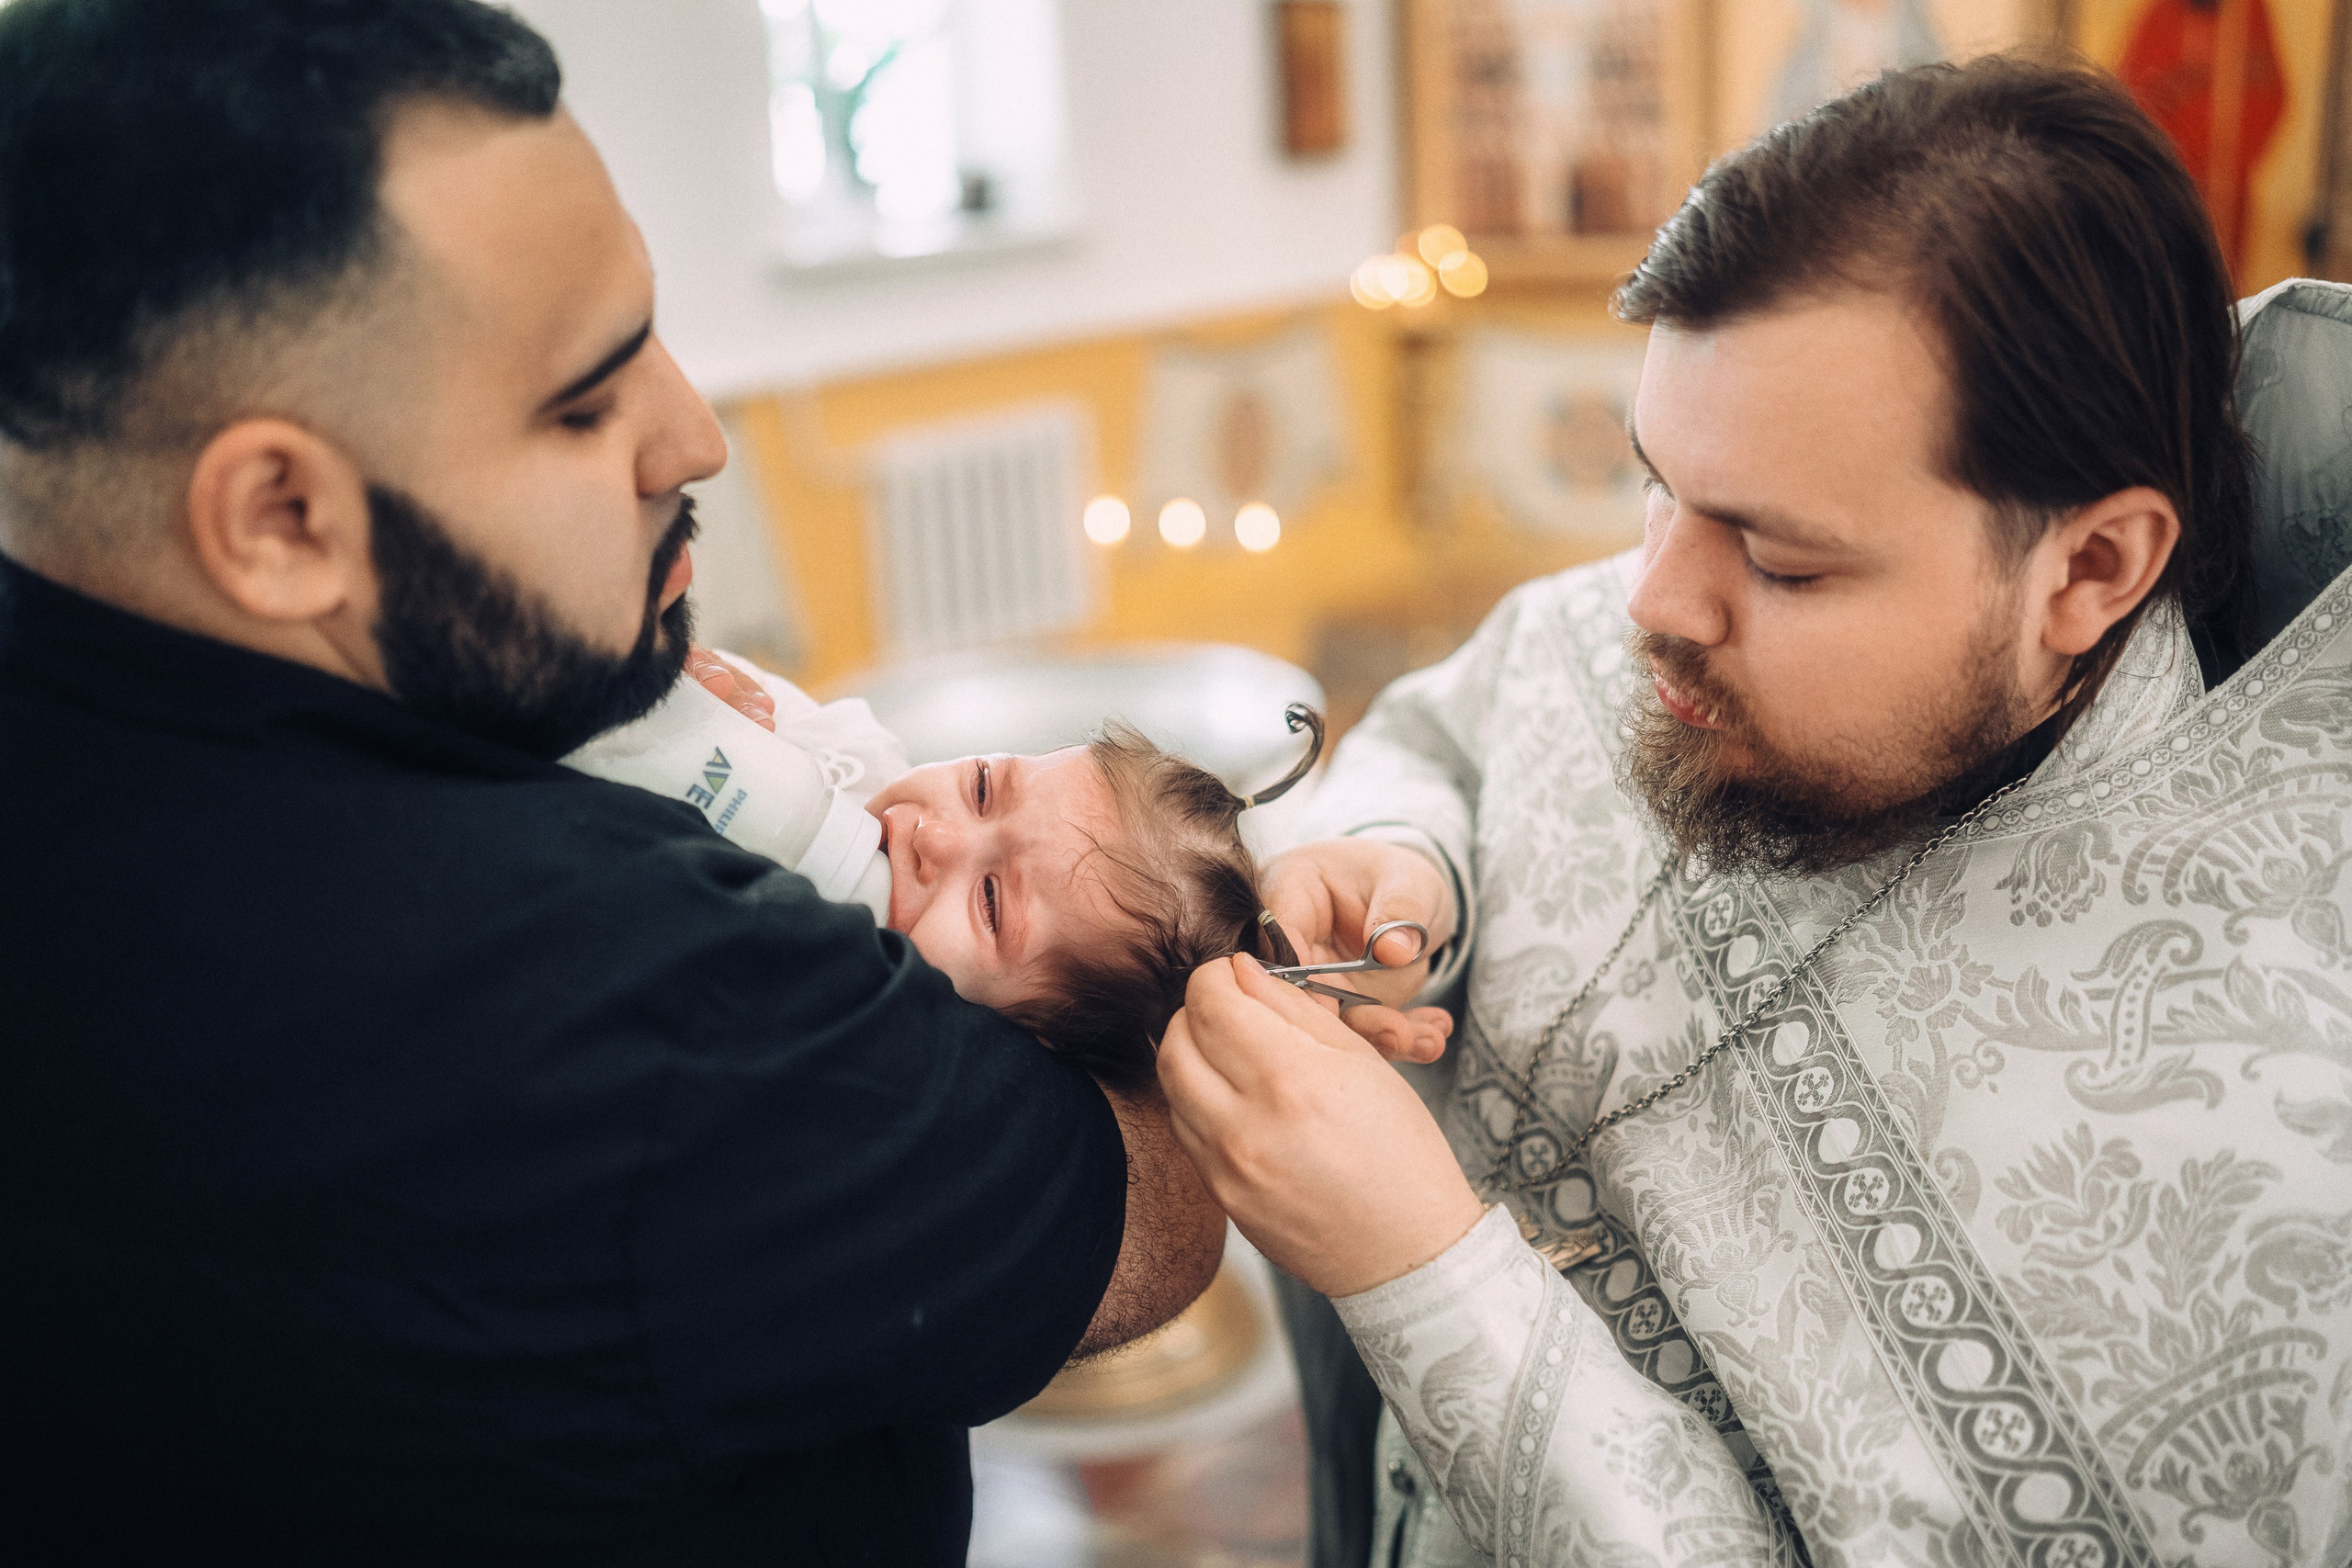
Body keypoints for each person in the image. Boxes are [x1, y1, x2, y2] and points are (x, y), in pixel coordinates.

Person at [0, 0, 1283, 1560]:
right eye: (587, 398)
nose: (693, 436)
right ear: (281, 518)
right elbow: (1146, 1223)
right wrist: (1171, 998)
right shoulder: (654, 998)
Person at [1159, 56, 2352, 1567]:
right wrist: (1406, 857)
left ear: (2092, 570)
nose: (1651, 601)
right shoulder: (1657, 614)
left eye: (1780, 561)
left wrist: (1419, 1269)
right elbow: (1448, 733)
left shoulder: (2266, 1191)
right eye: (1657, 485)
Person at [571, 650, 1454, 1080]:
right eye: (984, 785)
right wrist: (717, 701)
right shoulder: (847, 760)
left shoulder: (876, 1040)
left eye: (991, 901)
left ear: (1031, 1039)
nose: (936, 836)